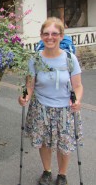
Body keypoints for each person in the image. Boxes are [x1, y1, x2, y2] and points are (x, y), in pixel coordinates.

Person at [18, 17, 83, 185]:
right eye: (46, 34)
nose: (50, 37)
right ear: (41, 36)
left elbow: (78, 86)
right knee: (45, 143)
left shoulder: (70, 59)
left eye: (55, 33)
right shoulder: (35, 59)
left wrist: (77, 100)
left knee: (65, 145)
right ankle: (47, 171)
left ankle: (62, 175)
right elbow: (29, 85)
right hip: (41, 108)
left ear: (61, 36)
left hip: (65, 109)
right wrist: (24, 96)